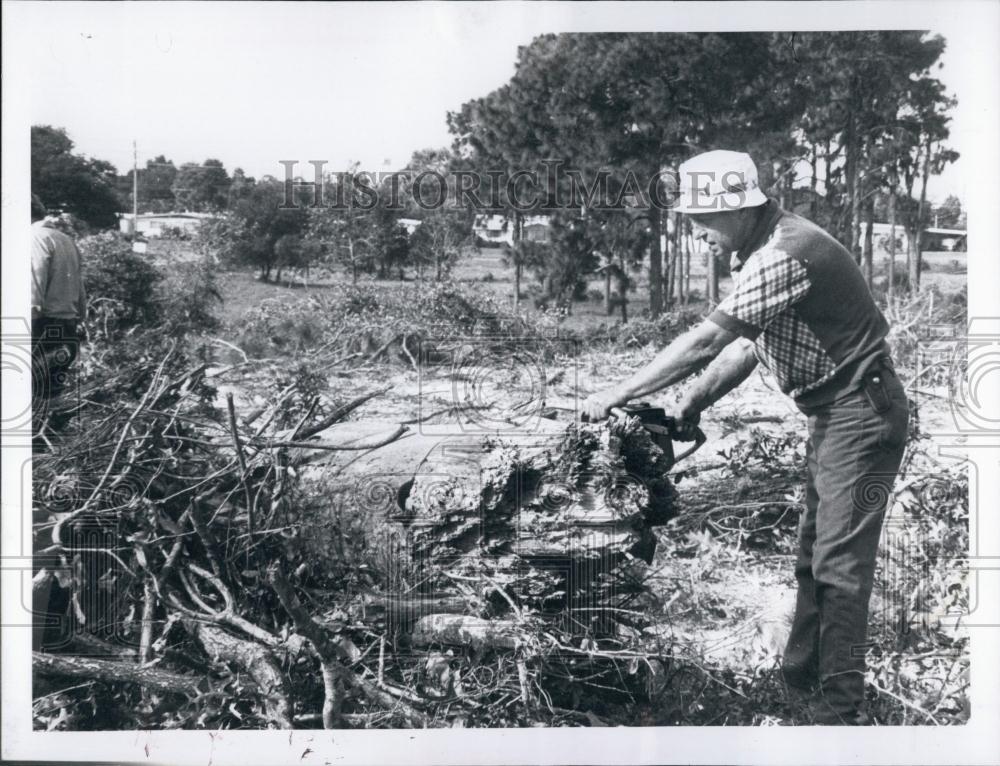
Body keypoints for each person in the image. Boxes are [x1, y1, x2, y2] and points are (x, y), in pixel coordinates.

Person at [582, 150, 909, 725]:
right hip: (836, 414)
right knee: (814, 559)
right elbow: (744, 347)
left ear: (738, 208)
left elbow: (707, 343)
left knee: (838, 568)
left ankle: (839, 714)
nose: (695, 232)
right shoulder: (760, 249)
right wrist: (690, 403)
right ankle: (799, 685)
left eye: (702, 220)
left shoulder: (787, 252)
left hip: (859, 410)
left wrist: (615, 392)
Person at [31, 195, 86, 430]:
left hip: (42, 326)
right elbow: (80, 288)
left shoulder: (33, 238)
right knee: (51, 396)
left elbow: (33, 288)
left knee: (31, 395)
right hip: (67, 326)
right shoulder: (64, 239)